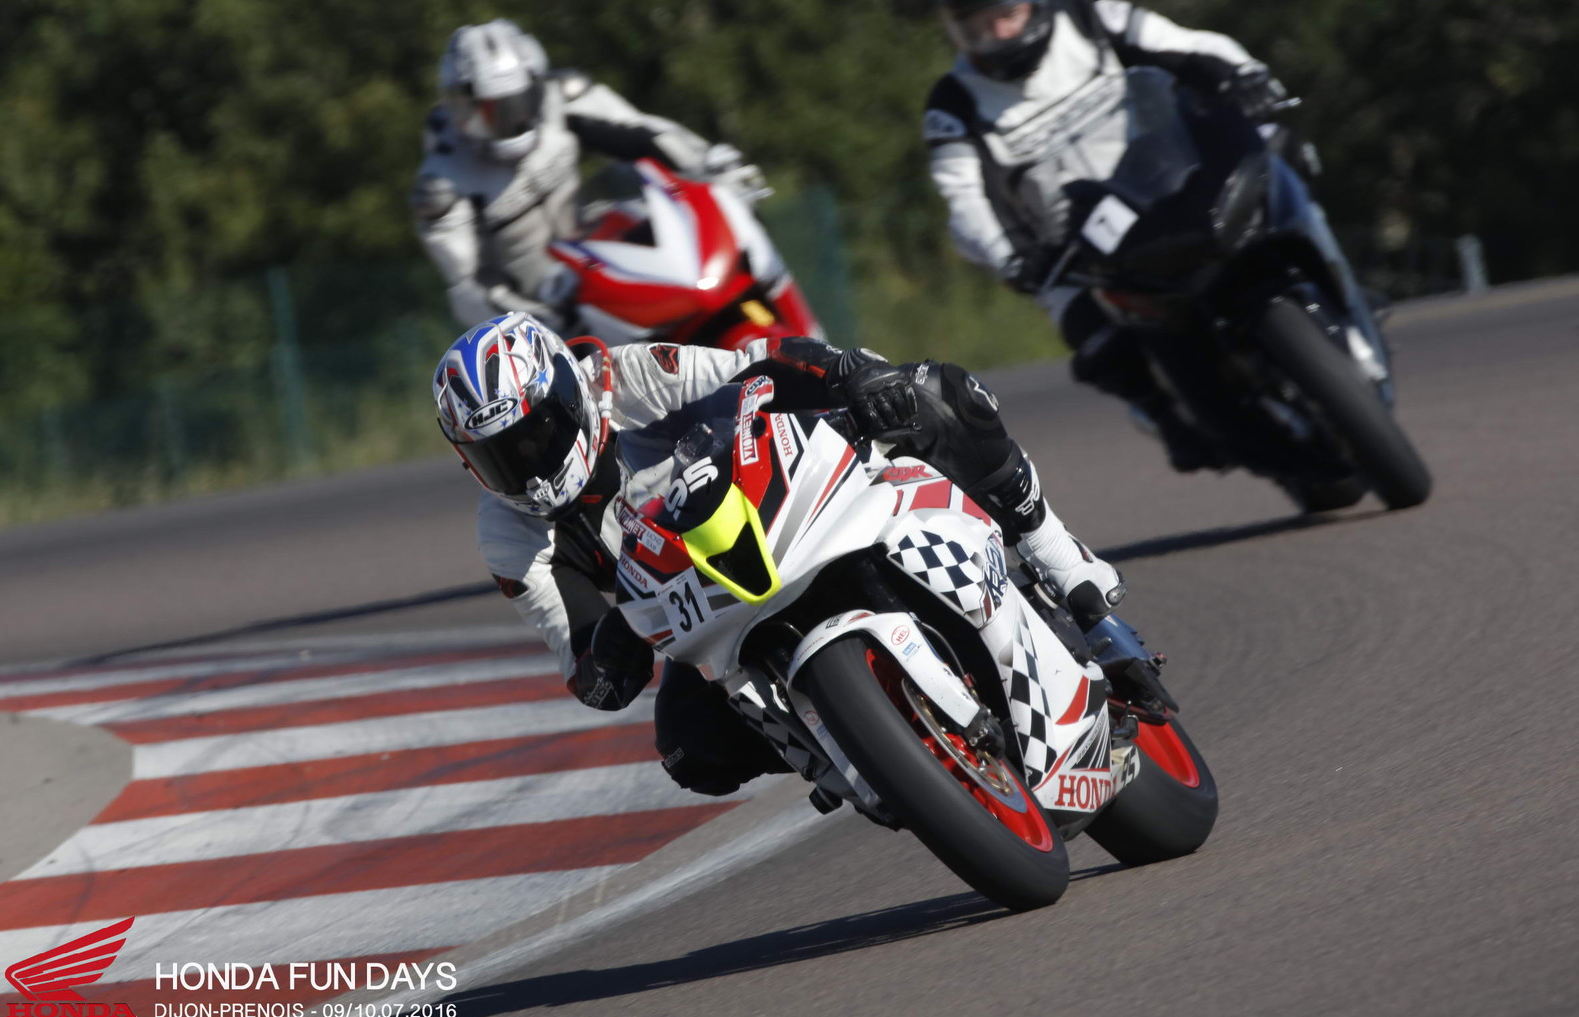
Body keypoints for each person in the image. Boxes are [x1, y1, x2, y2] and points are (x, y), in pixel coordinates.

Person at [434, 313, 1126, 796]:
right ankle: (853, 747)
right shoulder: (510, 536)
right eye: (500, 456)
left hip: (784, 500)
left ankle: (1062, 562)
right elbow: (588, 673)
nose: (528, 465)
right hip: (710, 615)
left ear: (569, 392)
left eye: (536, 433)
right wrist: (611, 651)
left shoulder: (627, 377)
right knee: (688, 748)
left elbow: (758, 363)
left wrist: (846, 374)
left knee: (935, 394)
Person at [924, 0, 1288, 470]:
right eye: (976, 24)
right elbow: (962, 199)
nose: (997, 32)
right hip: (1074, 248)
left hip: (1173, 181)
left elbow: (1191, 46)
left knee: (1279, 176)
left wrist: (1246, 74)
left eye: (1005, 14)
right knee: (1093, 336)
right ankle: (1166, 415)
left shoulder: (1092, 16)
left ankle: (1335, 286)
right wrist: (1007, 257)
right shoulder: (951, 102)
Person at [413, 19, 764, 332]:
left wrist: (710, 166)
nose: (506, 120)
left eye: (514, 103)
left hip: (605, 259)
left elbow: (645, 135)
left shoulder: (561, 99)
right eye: (485, 109)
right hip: (548, 313)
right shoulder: (441, 183)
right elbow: (469, 289)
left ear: (536, 84)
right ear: (459, 104)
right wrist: (538, 319)